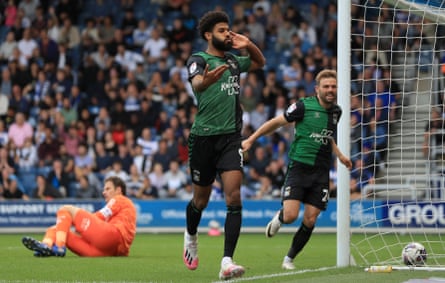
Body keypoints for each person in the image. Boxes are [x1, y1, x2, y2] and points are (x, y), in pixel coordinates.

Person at [182, 11, 265, 280]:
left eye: (229, 29)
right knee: (200, 200)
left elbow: (259, 63)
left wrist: (248, 44)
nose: (227, 34)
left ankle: (227, 261)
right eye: (222, 30)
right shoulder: (198, 59)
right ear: (208, 35)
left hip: (231, 138)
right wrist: (206, 80)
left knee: (234, 196)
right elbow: (197, 82)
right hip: (204, 139)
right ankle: (191, 236)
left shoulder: (232, 60)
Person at [241, 69, 352, 270]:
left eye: (333, 86)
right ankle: (280, 217)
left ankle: (289, 259)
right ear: (317, 89)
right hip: (299, 168)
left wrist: (341, 155)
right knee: (291, 216)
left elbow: (327, 137)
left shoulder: (337, 111)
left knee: (310, 219)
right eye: (326, 86)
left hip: (320, 173)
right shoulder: (303, 106)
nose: (330, 90)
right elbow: (276, 122)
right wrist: (251, 139)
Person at [22, 176, 136, 257]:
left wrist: (77, 223)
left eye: (107, 189)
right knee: (57, 229)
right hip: (109, 252)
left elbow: (100, 216)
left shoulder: (120, 199)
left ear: (118, 190)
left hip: (110, 237)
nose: (103, 192)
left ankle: (59, 246)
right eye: (103, 189)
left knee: (65, 209)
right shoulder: (122, 208)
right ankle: (46, 246)